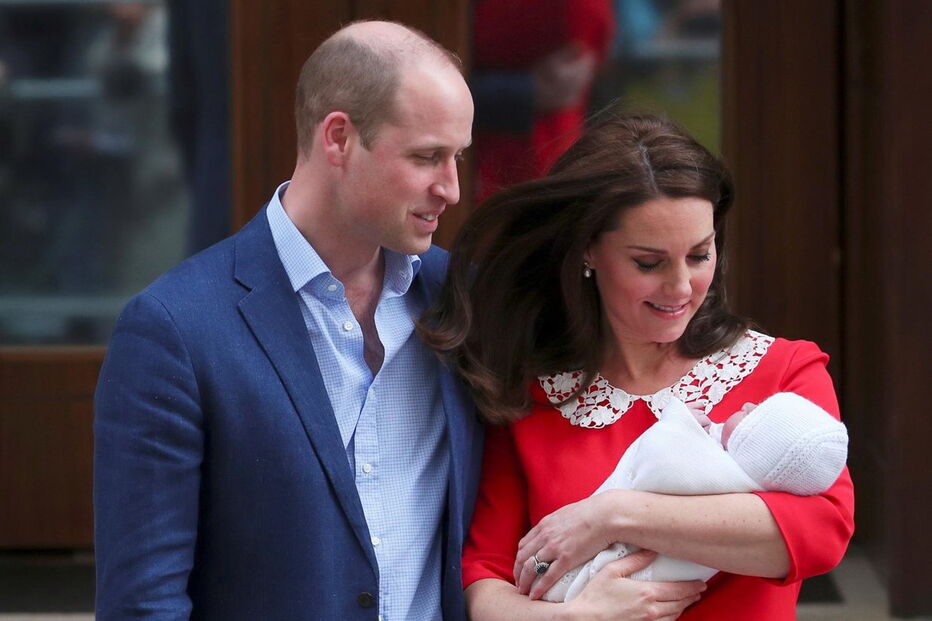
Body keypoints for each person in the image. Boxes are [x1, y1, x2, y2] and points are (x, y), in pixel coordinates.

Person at [94, 20, 483, 620]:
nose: (452, 188)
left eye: (457, 156)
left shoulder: (461, 298)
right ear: (338, 138)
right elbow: (144, 603)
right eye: (427, 156)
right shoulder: (175, 329)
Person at [421, 113, 854, 620]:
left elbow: (822, 533)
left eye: (699, 254)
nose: (680, 287)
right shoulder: (530, 393)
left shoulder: (784, 371)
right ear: (587, 250)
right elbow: (484, 579)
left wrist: (612, 516)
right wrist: (576, 619)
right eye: (649, 263)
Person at [542, 392, 849, 601]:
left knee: (576, 581)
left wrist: (678, 421)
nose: (750, 404)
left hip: (628, 576)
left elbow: (657, 464)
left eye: (755, 415)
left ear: (754, 445)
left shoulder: (720, 475)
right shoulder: (743, 478)